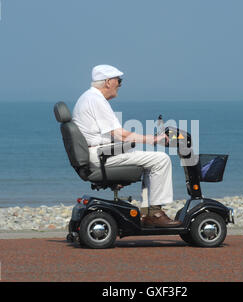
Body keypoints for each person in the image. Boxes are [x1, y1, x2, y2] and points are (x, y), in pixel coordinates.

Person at [72, 64, 180, 227]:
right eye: (118, 80)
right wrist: (154, 140)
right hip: (102, 156)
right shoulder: (96, 100)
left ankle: (148, 212)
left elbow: (111, 136)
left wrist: (132, 144)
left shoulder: (88, 97)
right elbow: (120, 134)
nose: (120, 85)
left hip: (100, 154)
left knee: (147, 161)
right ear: (108, 82)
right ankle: (155, 214)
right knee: (161, 159)